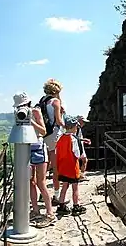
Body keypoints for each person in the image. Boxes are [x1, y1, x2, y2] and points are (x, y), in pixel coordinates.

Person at [17, 92, 56, 227]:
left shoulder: (36, 112)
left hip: (38, 148)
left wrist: (31, 120)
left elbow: (43, 131)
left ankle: (50, 213)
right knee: (31, 182)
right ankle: (35, 210)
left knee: (41, 182)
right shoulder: (19, 114)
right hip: (26, 149)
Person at [34, 79, 66, 204]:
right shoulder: (55, 102)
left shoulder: (42, 101)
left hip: (44, 135)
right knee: (56, 166)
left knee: (45, 166)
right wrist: (68, 126)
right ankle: (56, 195)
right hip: (54, 135)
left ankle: (42, 193)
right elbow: (58, 121)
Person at [54, 117, 88, 216]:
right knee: (75, 188)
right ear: (74, 127)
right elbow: (77, 154)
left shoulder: (60, 138)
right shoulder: (73, 139)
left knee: (64, 186)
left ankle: (61, 205)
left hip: (63, 167)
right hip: (72, 167)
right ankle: (76, 206)